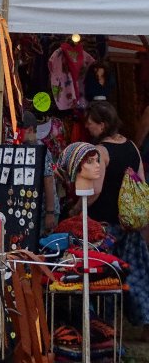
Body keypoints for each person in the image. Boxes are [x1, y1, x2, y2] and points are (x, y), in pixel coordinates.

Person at [83, 100, 149, 338]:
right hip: (129, 225)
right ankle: (144, 322)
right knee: (135, 275)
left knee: (106, 277)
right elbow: (142, 183)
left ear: (102, 125)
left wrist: (78, 208)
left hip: (105, 226)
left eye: (90, 123)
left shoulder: (100, 152)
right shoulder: (132, 147)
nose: (87, 127)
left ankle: (107, 328)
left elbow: (96, 190)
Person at [22, 111, 59, 233]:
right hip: (33, 210)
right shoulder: (26, 147)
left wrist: (50, 212)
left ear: (30, 130)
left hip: (44, 212)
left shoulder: (39, 149)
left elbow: (48, 180)